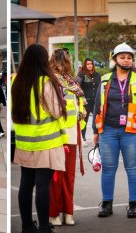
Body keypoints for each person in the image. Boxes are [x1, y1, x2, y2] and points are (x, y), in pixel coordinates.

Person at [12, 44, 68, 233]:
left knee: (25, 184)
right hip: (46, 141)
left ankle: (27, 226)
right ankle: (44, 227)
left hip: (24, 142)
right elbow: (57, 111)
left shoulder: (16, 81)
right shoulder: (45, 82)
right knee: (43, 185)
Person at [93, 42, 136, 218]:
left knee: (133, 168)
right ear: (115, 60)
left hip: (132, 132)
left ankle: (134, 205)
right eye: (122, 57)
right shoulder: (105, 80)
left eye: (129, 58)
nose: (126, 60)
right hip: (108, 131)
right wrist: (95, 131)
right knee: (108, 169)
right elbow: (98, 106)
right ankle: (106, 204)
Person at [48, 48, 85, 226]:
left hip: (71, 133)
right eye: (64, 59)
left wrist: (82, 112)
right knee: (56, 176)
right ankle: (54, 212)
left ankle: (67, 211)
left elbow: (80, 103)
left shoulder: (71, 80)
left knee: (69, 176)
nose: (65, 63)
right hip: (56, 133)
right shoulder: (49, 80)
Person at [77, 58, 101, 147]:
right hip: (86, 101)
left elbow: (100, 87)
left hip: (96, 101)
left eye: (91, 63)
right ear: (84, 65)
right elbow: (77, 87)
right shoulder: (82, 74)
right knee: (84, 120)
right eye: (87, 64)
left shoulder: (97, 75)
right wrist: (82, 98)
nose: (89, 65)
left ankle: (98, 137)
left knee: (97, 119)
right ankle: (82, 138)